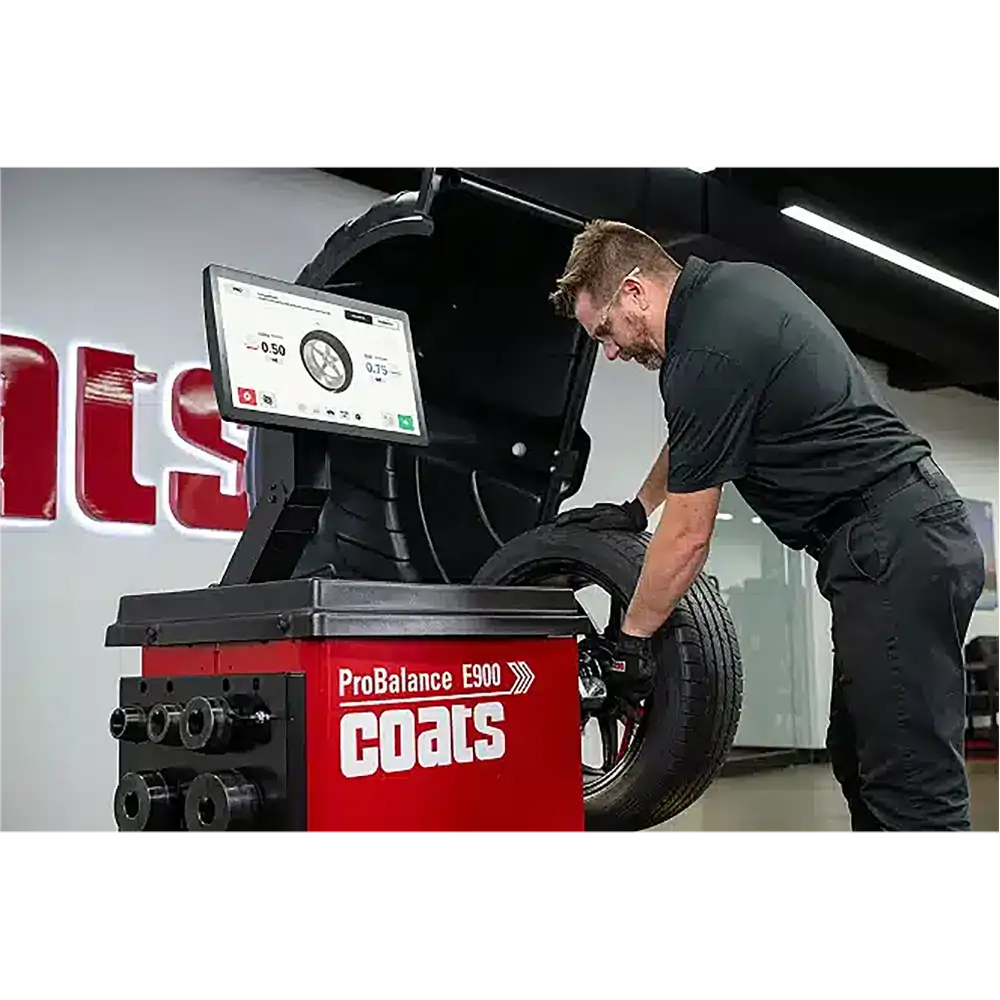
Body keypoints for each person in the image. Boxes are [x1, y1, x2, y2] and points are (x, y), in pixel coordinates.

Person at [549, 219, 985, 839]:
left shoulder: (703, 352)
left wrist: (630, 641)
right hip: (897, 535)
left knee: (909, 780)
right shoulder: (731, 295)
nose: (612, 351)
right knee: (859, 753)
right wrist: (638, 509)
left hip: (893, 542)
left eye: (605, 331)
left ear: (635, 292)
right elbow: (698, 434)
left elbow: (688, 539)